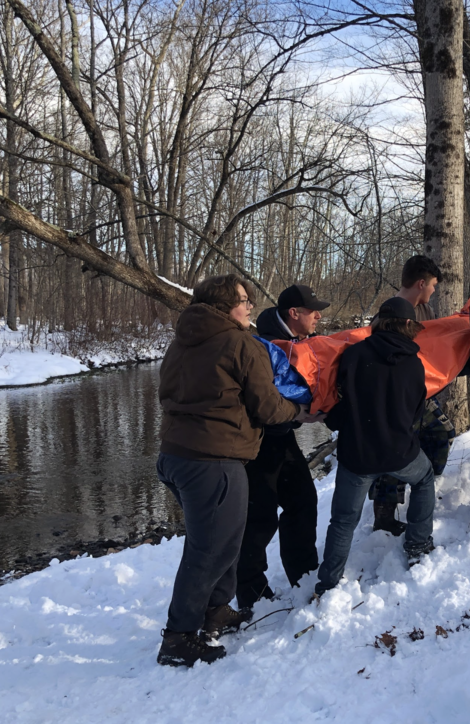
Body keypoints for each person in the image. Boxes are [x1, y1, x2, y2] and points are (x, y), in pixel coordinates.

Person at [156, 274, 310, 668]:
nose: (250, 307)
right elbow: (268, 407)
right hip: (213, 460)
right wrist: (302, 411)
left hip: (175, 456)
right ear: (225, 305)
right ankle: (178, 637)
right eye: (244, 300)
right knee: (209, 548)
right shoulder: (242, 343)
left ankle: (216, 610)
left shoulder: (181, 341)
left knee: (225, 537)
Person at [315, 297, 437, 596]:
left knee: (343, 520)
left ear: (379, 321)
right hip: (400, 452)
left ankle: (327, 584)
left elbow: (339, 400)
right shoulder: (415, 363)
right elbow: (416, 413)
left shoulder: (354, 355)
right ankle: (418, 545)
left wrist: (334, 420)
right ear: (409, 324)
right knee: (424, 479)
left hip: (357, 455)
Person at [235, 284, 330, 611]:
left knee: (303, 500)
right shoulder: (267, 345)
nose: (319, 315)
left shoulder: (292, 342)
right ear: (294, 313)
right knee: (259, 518)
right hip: (256, 442)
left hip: (281, 435)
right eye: (313, 310)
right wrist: (300, 413)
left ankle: (304, 575)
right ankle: (251, 594)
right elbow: (266, 397)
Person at [369, 255, 454, 535]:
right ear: (420, 283)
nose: (433, 291)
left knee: (442, 433)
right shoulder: (388, 313)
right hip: (395, 397)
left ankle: (421, 485)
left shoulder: (426, 311)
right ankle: (385, 513)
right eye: (432, 285)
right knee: (394, 449)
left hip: (423, 392)